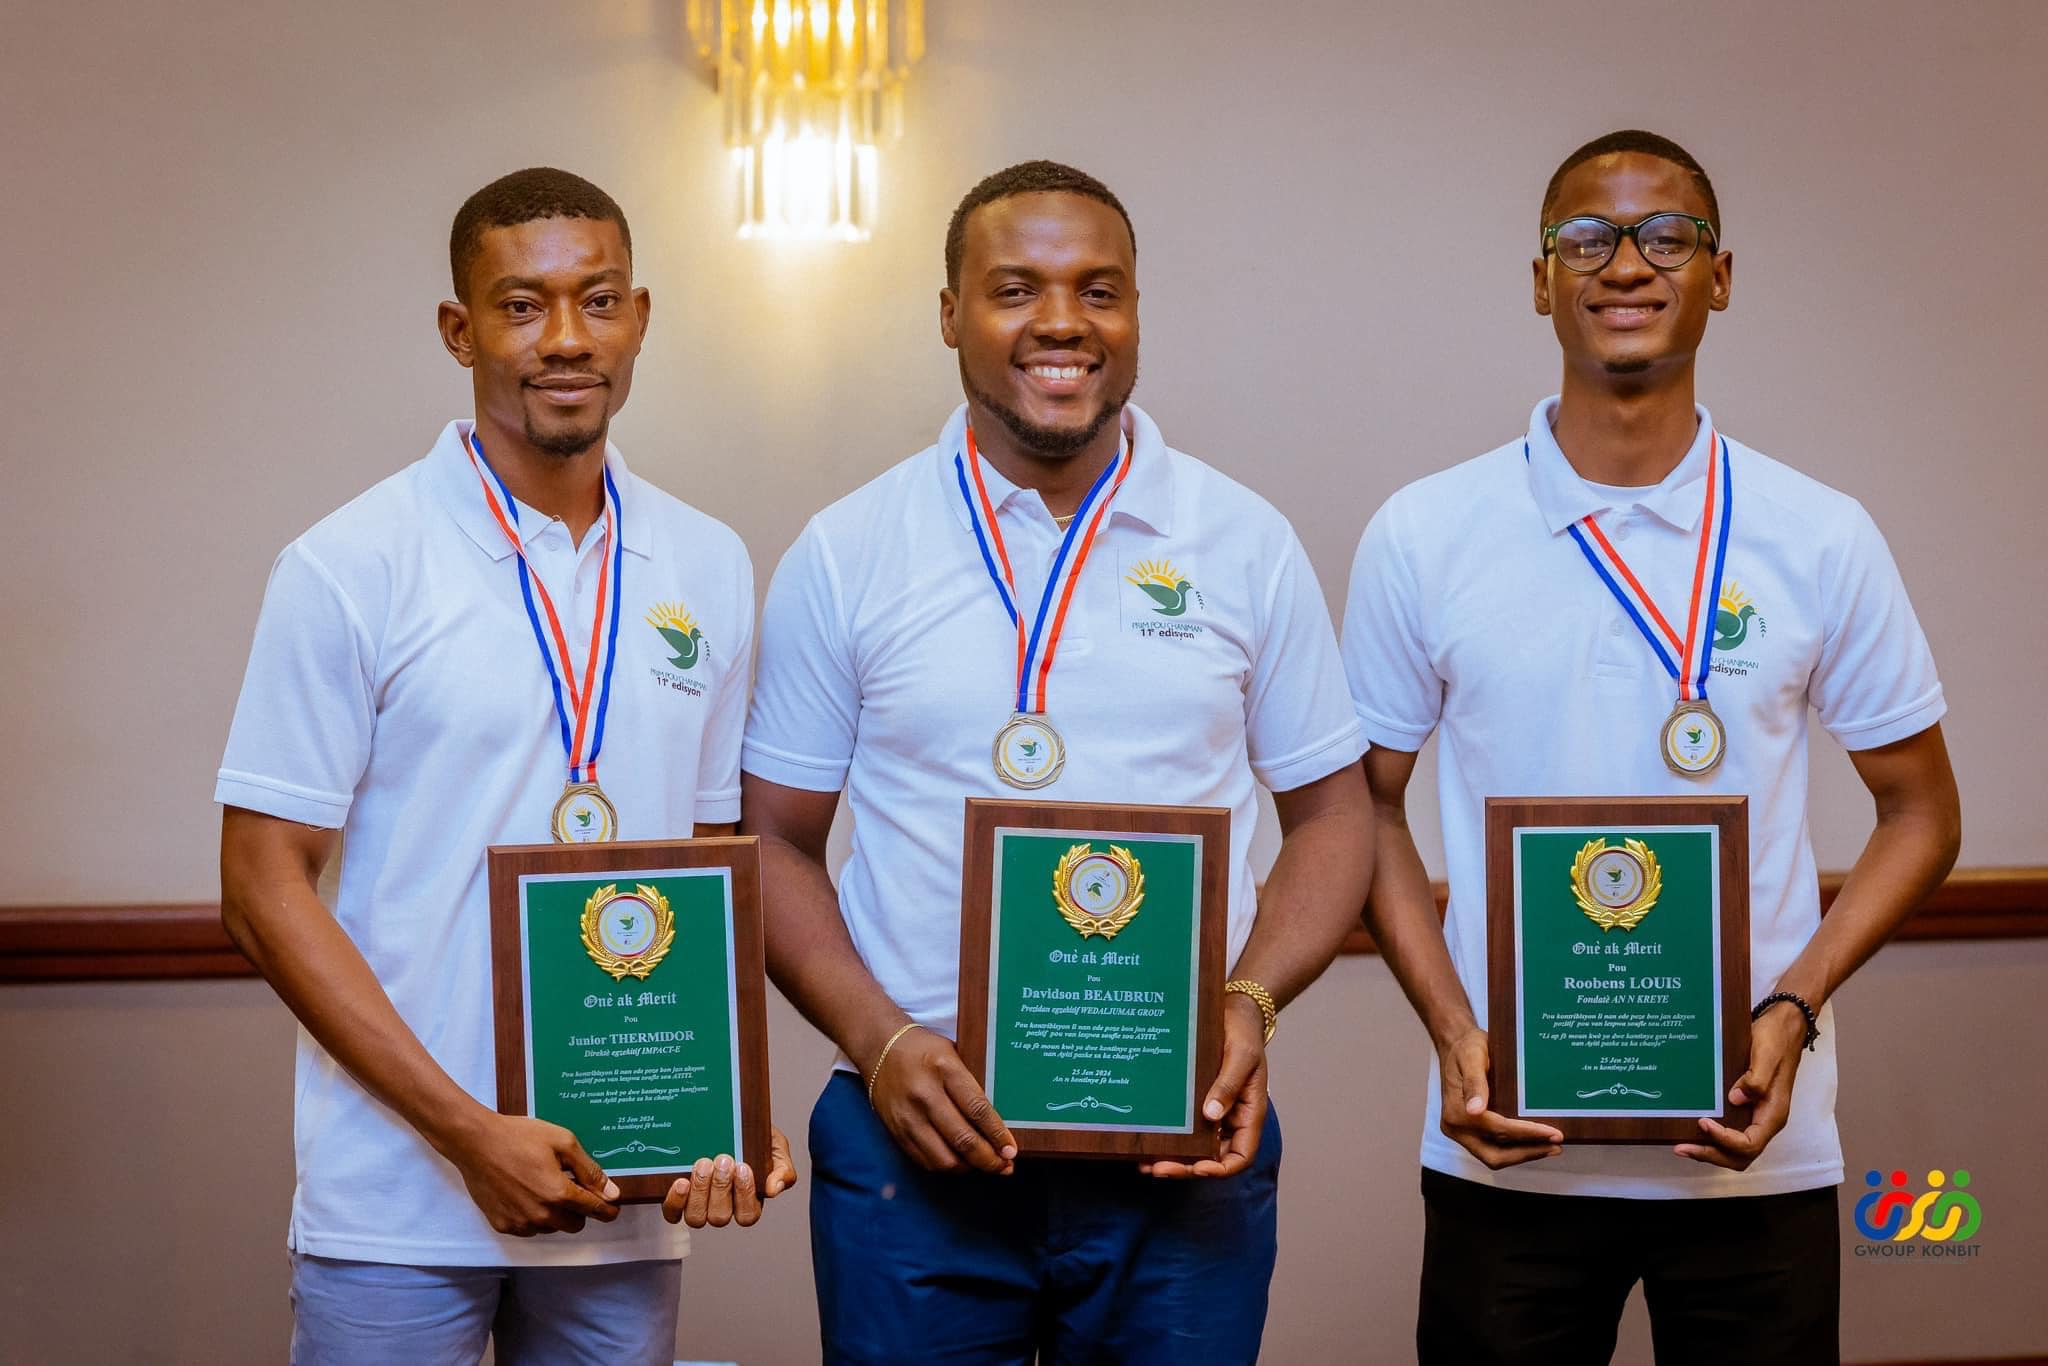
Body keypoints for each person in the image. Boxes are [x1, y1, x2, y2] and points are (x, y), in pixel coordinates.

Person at [1341, 130, 1962, 1365]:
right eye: (1585, 237)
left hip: (1749, 1148)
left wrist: (1790, 1006)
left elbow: (1922, 815)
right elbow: (1358, 812)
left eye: (1663, 233)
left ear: (1718, 275)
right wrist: (1454, 1030)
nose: (1623, 261)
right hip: (1505, 1145)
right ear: (1539, 280)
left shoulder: (1818, 536)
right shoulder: (1424, 532)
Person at [740, 160, 1375, 1364]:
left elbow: (1334, 816)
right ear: (947, 313)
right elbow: (770, 838)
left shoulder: (1242, 541)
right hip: (908, 1144)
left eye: (1100, 289)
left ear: (1135, 311)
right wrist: (877, 1041)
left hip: (1177, 1137)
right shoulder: (848, 550)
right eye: (1015, 288)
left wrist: (1245, 1008)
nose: (1062, 323)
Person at [216, 167, 795, 1365]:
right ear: (459, 328)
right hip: (397, 1202)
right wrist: (467, 1131)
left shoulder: (709, 562)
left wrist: (721, 1110)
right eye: (522, 306)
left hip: (616, 1193)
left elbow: (701, 875)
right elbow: (261, 887)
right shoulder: (349, 565)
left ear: (639, 315)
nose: (565, 339)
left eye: (596, 301)